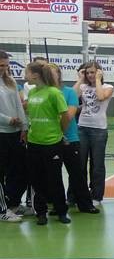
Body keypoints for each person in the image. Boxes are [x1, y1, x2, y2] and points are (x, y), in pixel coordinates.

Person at [25, 62, 71, 225]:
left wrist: (60, 132)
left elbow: (65, 116)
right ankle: (41, 212)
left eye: (27, 73)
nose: (25, 76)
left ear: (35, 75)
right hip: (34, 142)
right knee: (37, 179)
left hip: (52, 142)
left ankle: (61, 211)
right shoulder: (32, 92)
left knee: (54, 178)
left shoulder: (54, 92)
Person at [53, 65, 98, 215]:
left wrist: (60, 132)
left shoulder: (69, 92)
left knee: (77, 173)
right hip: (50, 139)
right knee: (54, 175)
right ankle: (58, 206)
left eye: (53, 73)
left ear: (59, 75)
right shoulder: (43, 93)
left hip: (70, 138)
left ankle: (85, 204)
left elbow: (69, 115)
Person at [74, 61, 113, 207]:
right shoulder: (83, 87)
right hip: (82, 128)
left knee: (97, 165)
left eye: (93, 72)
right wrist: (80, 79)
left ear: (99, 72)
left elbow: (101, 97)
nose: (90, 75)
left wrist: (97, 79)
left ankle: (96, 195)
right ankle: (80, 195)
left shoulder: (108, 87)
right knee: (80, 164)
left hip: (99, 130)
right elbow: (72, 96)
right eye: (88, 72)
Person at [0, 50, 27, 222]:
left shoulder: (10, 81)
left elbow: (18, 105)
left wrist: (23, 126)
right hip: (1, 133)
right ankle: (2, 210)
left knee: (20, 170)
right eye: (0, 65)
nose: (3, 68)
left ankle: (12, 204)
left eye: (6, 65)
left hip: (15, 134)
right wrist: (8, 120)